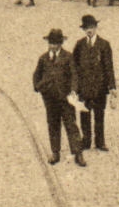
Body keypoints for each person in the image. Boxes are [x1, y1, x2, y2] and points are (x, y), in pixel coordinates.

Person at [32, 28, 86, 166]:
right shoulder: (43, 58)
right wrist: (38, 87)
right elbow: (36, 75)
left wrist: (74, 90)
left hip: (65, 99)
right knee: (53, 125)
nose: (53, 46)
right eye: (51, 43)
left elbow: (74, 75)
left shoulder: (68, 57)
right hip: (50, 99)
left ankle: (78, 153)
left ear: (61, 44)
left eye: (56, 43)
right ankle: (55, 152)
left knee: (71, 125)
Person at [73, 14, 116, 151]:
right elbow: (74, 67)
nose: (89, 30)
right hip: (84, 87)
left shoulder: (104, 45)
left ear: (96, 27)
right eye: (86, 28)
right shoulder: (79, 45)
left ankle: (100, 142)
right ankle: (86, 141)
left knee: (99, 115)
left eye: (91, 27)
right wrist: (75, 86)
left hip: (100, 87)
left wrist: (112, 86)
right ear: (83, 30)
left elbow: (109, 66)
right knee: (84, 114)